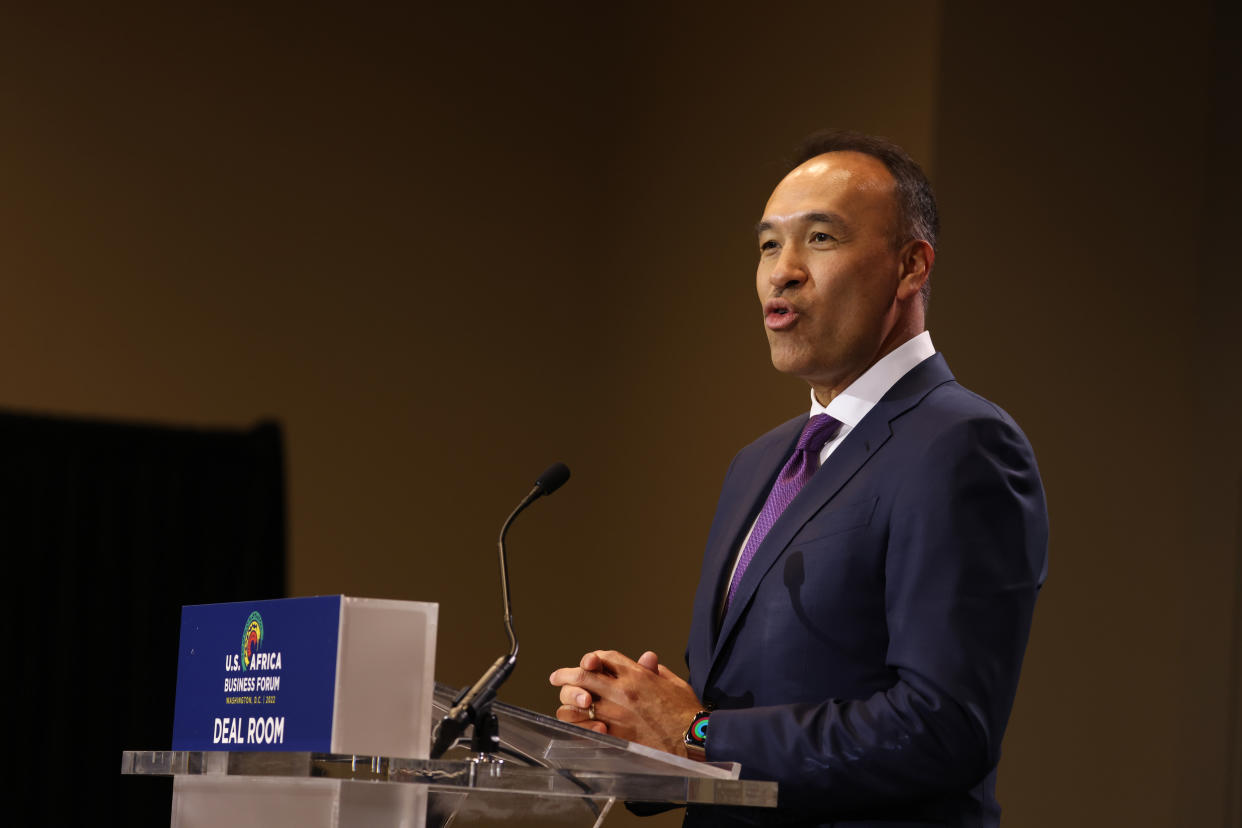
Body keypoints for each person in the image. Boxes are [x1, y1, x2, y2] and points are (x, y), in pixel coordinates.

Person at [549, 130, 1048, 827]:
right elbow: (735, 721)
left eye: (819, 239)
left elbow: (943, 728)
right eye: (766, 245)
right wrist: (644, 734)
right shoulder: (759, 463)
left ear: (911, 267)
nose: (781, 271)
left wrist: (696, 735)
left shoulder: (962, 444)